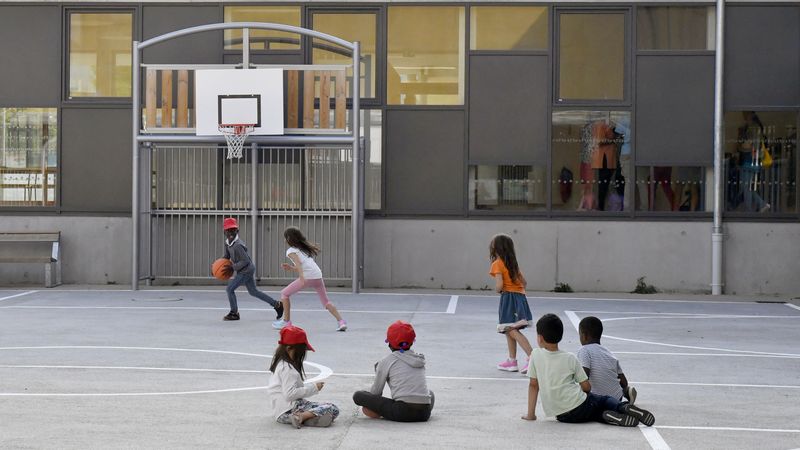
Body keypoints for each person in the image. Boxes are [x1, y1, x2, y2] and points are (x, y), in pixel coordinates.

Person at [521, 314, 654, 427]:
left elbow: (533, 385)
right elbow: (587, 387)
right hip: (578, 403)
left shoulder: (535, 355)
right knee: (604, 400)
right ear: (561, 336)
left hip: (561, 415)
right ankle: (623, 407)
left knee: (595, 414)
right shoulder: (570, 358)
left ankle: (609, 416)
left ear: (540, 338)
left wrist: (531, 414)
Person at [352, 320, 434, 422]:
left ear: (389, 343)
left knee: (358, 396)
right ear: (412, 342)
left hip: (402, 411)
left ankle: (384, 413)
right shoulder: (419, 359)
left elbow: (376, 393)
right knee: (430, 393)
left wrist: (379, 372)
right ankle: (389, 412)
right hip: (424, 413)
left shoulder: (386, 361)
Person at [272, 227, 347, 331]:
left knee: (284, 294)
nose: (284, 240)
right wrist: (291, 268)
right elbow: (304, 266)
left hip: (308, 277)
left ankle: (286, 322)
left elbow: (298, 264)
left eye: (285, 237)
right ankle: (341, 322)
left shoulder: (290, 251)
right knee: (326, 302)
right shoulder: (302, 250)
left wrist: (302, 277)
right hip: (317, 276)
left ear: (289, 238)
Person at [266, 325, 340, 428]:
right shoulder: (288, 369)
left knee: (326, 412)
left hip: (281, 413)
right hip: (290, 409)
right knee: (332, 408)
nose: (303, 353)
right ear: (289, 348)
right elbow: (289, 394)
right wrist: (313, 388)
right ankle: (301, 416)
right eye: (302, 350)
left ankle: (307, 419)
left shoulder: (281, 364)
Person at [221, 217, 282, 321]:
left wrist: (232, 267)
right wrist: (218, 266)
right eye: (228, 230)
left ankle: (234, 313)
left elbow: (245, 261)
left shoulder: (238, 245)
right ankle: (277, 305)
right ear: (224, 231)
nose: (231, 232)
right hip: (244, 269)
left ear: (237, 231)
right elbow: (226, 256)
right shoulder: (228, 243)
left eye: (233, 230)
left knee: (230, 289)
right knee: (253, 292)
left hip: (246, 270)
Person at [489, 234, 533, 374]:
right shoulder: (513, 264)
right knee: (509, 330)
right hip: (520, 298)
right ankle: (512, 361)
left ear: (496, 248)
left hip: (508, 299)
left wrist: (498, 289)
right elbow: (524, 282)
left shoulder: (497, 264)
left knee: (512, 330)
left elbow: (499, 285)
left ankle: (532, 358)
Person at [577, 316, 637, 404]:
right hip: (616, 397)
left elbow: (584, 379)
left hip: (597, 400)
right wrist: (624, 389)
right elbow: (624, 382)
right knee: (617, 391)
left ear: (584, 336)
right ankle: (626, 394)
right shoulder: (609, 354)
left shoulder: (584, 350)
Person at [736, 111, 771, 212]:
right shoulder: (755, 127)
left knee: (746, 187)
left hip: (749, 161)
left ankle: (755, 207)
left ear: (749, 115)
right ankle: (759, 205)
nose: (743, 115)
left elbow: (746, 146)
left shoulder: (752, 128)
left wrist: (740, 145)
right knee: (746, 187)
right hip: (751, 161)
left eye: (745, 114)